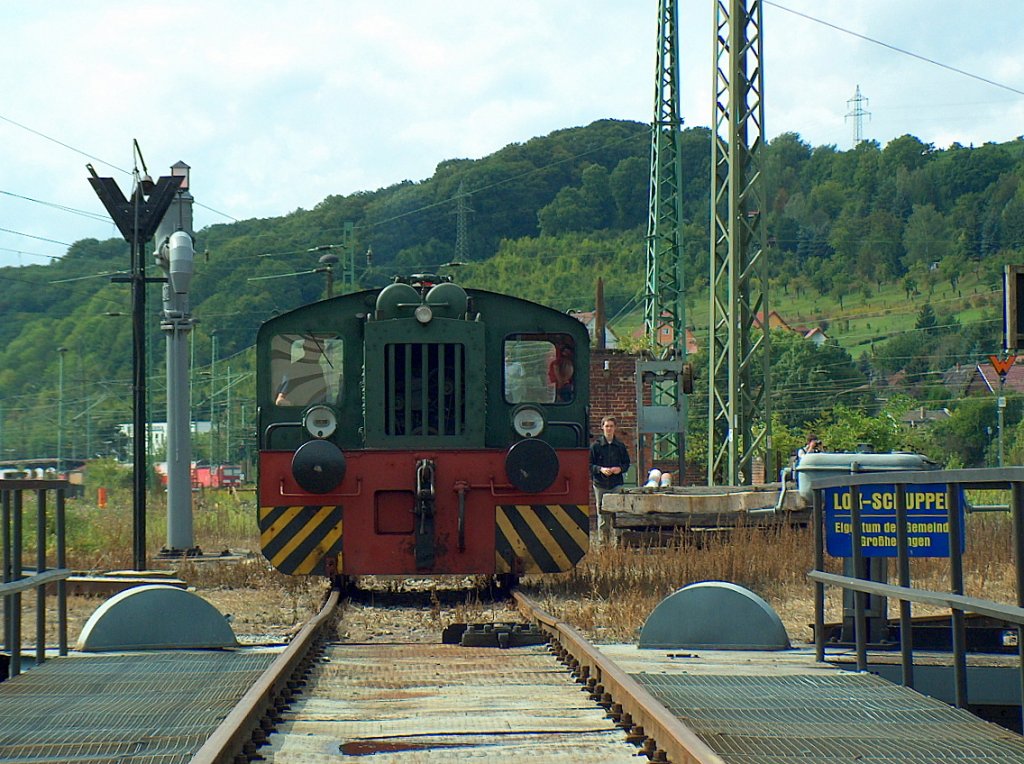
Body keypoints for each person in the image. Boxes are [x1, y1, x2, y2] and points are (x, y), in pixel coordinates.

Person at [590, 416, 630, 546]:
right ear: (602, 428)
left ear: (615, 428)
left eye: (611, 426)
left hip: (616, 484)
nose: (609, 429)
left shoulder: (620, 446)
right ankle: (603, 545)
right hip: (600, 484)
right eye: (606, 426)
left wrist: (620, 469)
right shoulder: (595, 446)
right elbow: (589, 465)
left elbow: (626, 463)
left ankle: (619, 543)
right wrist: (600, 469)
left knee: (618, 514)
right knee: (602, 515)